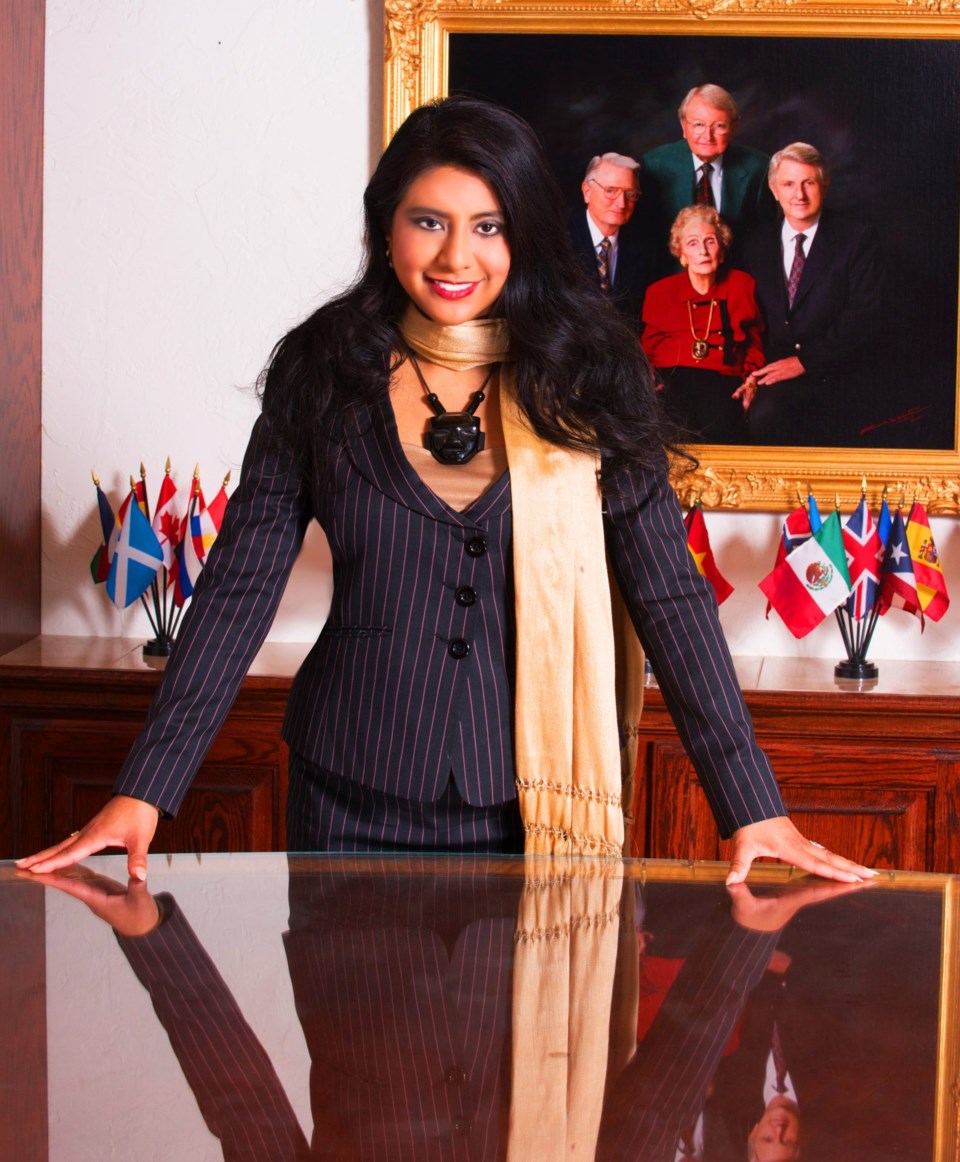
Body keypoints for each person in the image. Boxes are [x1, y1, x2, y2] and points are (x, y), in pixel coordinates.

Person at [17, 95, 874, 885]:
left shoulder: (591, 375)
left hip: (535, 804)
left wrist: (751, 804)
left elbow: (668, 593)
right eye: (428, 221)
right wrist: (146, 788)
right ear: (385, 228)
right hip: (346, 795)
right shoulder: (324, 367)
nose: (456, 256)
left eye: (489, 226)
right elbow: (242, 583)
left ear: (526, 234)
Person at [742, 143, 884, 446]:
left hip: (835, 371)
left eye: (809, 183)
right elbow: (745, 315)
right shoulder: (755, 244)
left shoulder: (856, 238)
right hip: (771, 374)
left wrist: (806, 360)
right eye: (789, 184)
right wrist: (749, 374)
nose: (799, 195)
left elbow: (864, 314)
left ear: (825, 184)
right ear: (773, 189)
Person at [640, 205, 763, 444]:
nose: (703, 252)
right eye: (693, 243)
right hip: (672, 381)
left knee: (721, 423)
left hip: (723, 381)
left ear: (722, 251)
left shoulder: (742, 285)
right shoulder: (660, 292)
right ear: (682, 254)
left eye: (710, 242)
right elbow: (648, 350)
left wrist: (751, 382)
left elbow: (754, 343)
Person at [642, 85, 773, 271]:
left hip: (736, 279)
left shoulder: (758, 168)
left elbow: (765, 238)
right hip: (670, 280)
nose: (707, 136)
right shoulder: (654, 164)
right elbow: (645, 239)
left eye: (719, 126)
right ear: (683, 126)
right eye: (698, 125)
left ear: (734, 126)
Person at [568, 151, 651, 328]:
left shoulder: (645, 246)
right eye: (611, 191)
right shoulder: (559, 239)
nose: (621, 203)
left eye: (630, 194)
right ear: (587, 191)